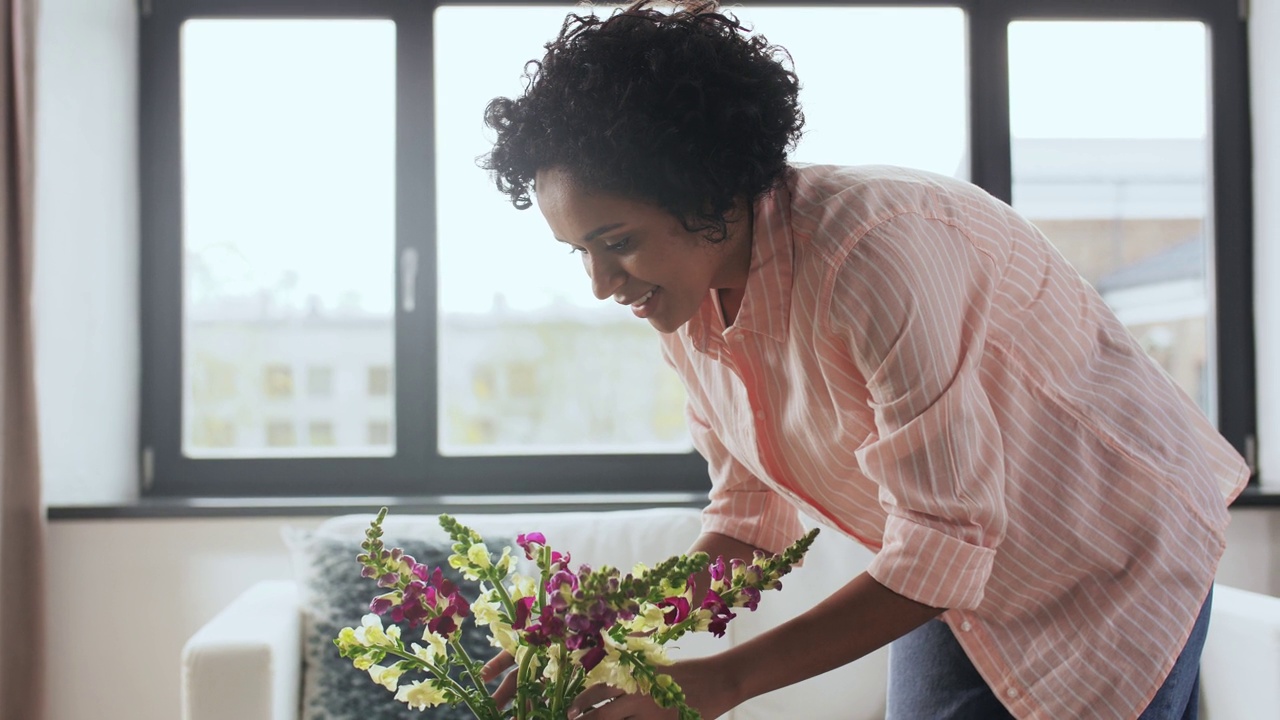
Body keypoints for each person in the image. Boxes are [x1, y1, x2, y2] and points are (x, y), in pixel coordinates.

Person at [477, 2, 1250, 718]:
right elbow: (751, 516)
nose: (602, 284)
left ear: (704, 192)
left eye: (618, 243)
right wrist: (606, 627)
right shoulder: (687, 303)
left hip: (1110, 552)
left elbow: (944, 541)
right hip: (950, 573)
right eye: (581, 250)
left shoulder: (869, 253)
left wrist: (718, 682)